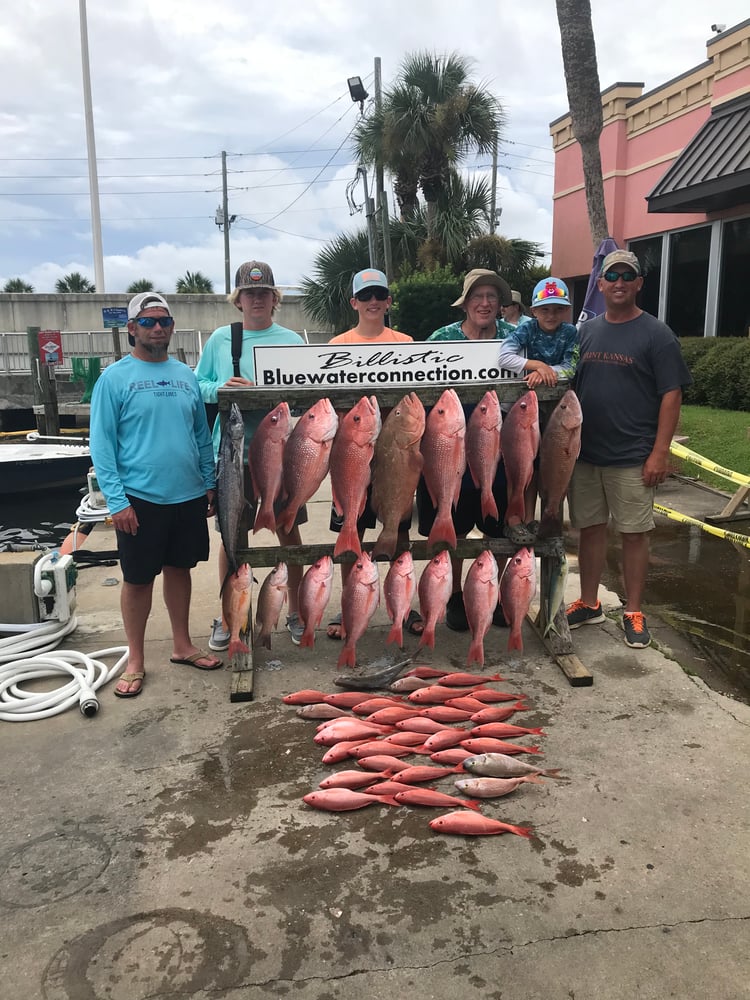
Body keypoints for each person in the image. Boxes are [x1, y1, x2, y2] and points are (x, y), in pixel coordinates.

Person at [90, 292, 221, 699]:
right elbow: (102, 444)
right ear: (131, 329)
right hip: (139, 497)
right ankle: (136, 659)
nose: (157, 328)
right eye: (147, 322)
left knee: (180, 569)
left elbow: (201, 435)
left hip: (186, 494)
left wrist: (209, 481)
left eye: (164, 321)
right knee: (138, 579)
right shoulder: (114, 379)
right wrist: (117, 501)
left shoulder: (186, 376)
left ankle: (182, 646)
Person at [565, 250, 692, 649]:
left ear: (638, 284)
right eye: (611, 275)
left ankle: (634, 610)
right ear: (600, 284)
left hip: (633, 455)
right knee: (589, 529)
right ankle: (589, 601)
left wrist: (660, 452)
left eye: (627, 276)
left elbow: (671, 395)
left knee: (635, 534)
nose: (618, 282)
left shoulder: (657, 334)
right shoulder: (584, 332)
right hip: (585, 453)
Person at [195, 261, 307, 647]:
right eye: (249, 293)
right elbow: (200, 386)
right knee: (231, 539)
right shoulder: (221, 340)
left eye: (263, 293)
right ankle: (230, 616)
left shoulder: (293, 341)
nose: (256, 299)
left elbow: (305, 396)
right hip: (233, 456)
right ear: (238, 300)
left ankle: (294, 609)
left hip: (281, 454)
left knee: (289, 532)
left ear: (274, 298)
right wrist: (224, 389)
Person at [325, 268, 423, 639]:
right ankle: (349, 604)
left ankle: (403, 604)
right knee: (353, 526)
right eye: (365, 296)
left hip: (396, 451)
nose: (372, 302)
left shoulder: (406, 341)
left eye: (379, 295)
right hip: (355, 452)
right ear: (354, 302)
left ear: (388, 301)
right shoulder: (338, 345)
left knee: (398, 529)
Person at [416, 268, 513, 632]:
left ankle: (498, 592)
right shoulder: (441, 338)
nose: (485, 303)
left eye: (491, 297)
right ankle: (455, 594)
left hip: (496, 445)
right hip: (450, 444)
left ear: (500, 304)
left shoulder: (515, 336)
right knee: (451, 523)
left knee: (498, 527)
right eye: (478, 297)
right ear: (466, 303)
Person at [498, 277, 578, 541]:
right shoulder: (526, 330)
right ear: (533, 310)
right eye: (545, 309)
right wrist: (535, 365)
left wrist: (546, 373)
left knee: (554, 463)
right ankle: (523, 518)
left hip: (559, 408)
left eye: (557, 308)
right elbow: (505, 356)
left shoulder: (571, 333)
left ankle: (547, 516)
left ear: (565, 310)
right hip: (529, 410)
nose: (551, 314)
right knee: (526, 463)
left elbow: (571, 366)